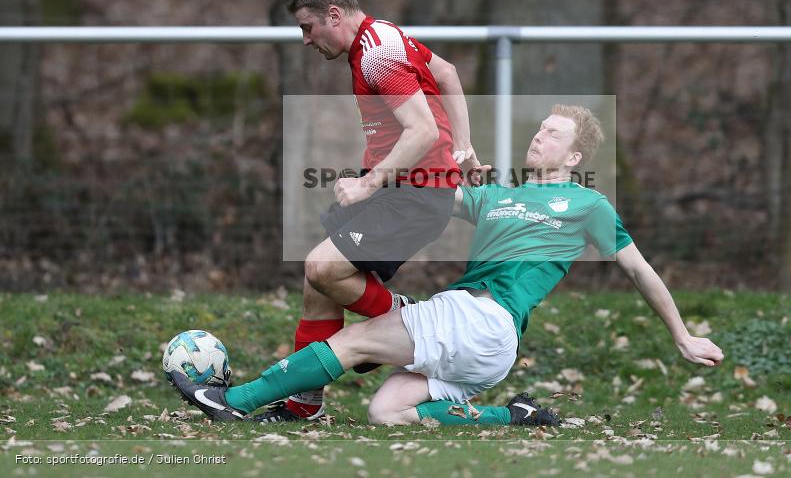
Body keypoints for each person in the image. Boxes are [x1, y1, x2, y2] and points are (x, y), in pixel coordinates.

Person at [171, 105, 725, 426]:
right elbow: (433, 195)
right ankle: (515, 417)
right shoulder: (498, 195)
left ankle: (234, 402)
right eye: (541, 127)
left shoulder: (588, 204)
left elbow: (639, 270)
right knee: (386, 413)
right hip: (486, 351)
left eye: (554, 134)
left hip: (485, 321)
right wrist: (384, 176)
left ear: (574, 159)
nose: (540, 134)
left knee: (356, 344)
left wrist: (681, 334)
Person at [269, 0, 482, 422]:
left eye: (308, 28)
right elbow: (446, 73)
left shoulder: (376, 55)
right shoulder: (382, 33)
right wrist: (463, 149)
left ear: (333, 14)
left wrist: (368, 183)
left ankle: (396, 317)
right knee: (318, 279)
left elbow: (422, 130)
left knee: (323, 266)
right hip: (397, 185)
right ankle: (303, 403)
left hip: (415, 192)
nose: (306, 40)